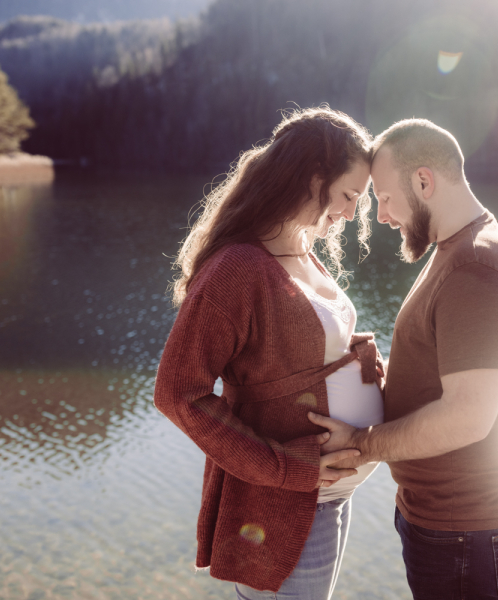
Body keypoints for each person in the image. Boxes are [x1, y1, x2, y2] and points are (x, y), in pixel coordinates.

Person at [152, 106, 386, 599]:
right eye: (348, 196)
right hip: (286, 502)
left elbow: (292, 352)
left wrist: (355, 358)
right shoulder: (237, 268)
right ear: (312, 179)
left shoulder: (300, 248)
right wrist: (284, 467)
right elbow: (178, 393)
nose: (348, 213)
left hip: (328, 498)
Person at [309, 118, 498, 600]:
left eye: (384, 198)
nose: (382, 217)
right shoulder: (457, 250)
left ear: (423, 181)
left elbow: (467, 417)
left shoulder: (476, 266)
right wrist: (382, 378)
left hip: (468, 530)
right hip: (451, 522)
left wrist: (363, 443)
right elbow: (450, 383)